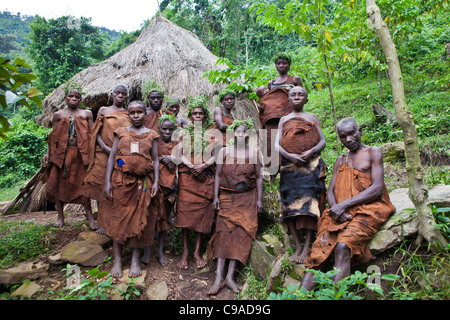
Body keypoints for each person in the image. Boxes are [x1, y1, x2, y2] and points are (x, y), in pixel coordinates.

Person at [300, 117, 396, 290]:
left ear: (359, 132)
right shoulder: (341, 159)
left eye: (351, 134)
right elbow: (331, 191)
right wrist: (335, 208)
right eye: (343, 136)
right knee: (319, 251)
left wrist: (344, 205)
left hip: (369, 209)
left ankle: (337, 294)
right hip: (339, 211)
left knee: (343, 246)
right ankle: (298, 296)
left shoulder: (373, 152)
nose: (348, 139)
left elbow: (377, 188)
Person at [103, 100, 160, 278]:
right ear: (128, 114)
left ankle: (135, 259)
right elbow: (113, 157)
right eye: (133, 112)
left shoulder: (152, 135)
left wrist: (156, 182)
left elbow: (156, 160)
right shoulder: (121, 132)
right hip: (121, 182)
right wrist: (107, 182)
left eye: (139, 112)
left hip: (141, 184)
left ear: (145, 113)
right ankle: (118, 260)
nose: (136, 116)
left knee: (138, 219)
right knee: (118, 218)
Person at [207, 119, 263, 295]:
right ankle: (218, 278)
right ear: (233, 134)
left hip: (247, 200)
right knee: (223, 234)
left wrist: (259, 200)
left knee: (240, 236)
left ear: (248, 135)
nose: (241, 135)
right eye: (237, 132)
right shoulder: (224, 152)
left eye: (244, 132)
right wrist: (215, 197)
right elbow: (217, 175)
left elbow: (259, 177)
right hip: (226, 198)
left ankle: (230, 277)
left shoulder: (255, 153)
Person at [274, 86, 327, 263]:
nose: (296, 97)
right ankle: (297, 244)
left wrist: (309, 152)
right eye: (293, 95)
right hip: (289, 167)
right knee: (288, 203)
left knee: (310, 203)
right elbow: (277, 145)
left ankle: (307, 246)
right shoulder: (283, 120)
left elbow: (322, 141)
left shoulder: (312, 117)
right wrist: (290, 156)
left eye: (300, 95)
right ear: (288, 100)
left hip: (310, 166)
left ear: (306, 99)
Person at [42, 86, 97, 230]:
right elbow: (53, 137)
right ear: (65, 98)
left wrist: (94, 154)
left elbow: (93, 135)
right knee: (59, 183)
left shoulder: (86, 114)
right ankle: (61, 217)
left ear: (80, 99)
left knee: (83, 184)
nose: (73, 99)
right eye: (71, 96)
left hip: (81, 156)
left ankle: (90, 218)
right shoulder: (59, 115)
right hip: (62, 156)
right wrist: (48, 153)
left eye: (77, 97)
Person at [82, 84, 131, 234]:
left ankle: (115, 218)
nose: (120, 96)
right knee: (100, 183)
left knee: (118, 182)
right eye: (118, 93)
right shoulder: (103, 110)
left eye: (123, 94)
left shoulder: (128, 113)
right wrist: (104, 147)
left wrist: (118, 152)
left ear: (126, 97)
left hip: (120, 157)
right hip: (103, 153)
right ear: (112, 94)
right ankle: (101, 221)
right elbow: (96, 131)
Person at [174, 95, 216, 270]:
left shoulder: (210, 135)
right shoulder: (183, 133)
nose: (198, 116)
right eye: (194, 114)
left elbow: (215, 156)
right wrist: (191, 165)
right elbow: (179, 153)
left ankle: (196, 253)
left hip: (204, 179)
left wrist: (203, 165)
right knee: (185, 215)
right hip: (187, 177)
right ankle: (185, 253)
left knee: (201, 217)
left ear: (204, 116)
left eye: (200, 114)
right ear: (190, 117)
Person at [256, 52, 303, 174]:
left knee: (291, 139)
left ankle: (293, 166)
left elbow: (302, 95)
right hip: (274, 118)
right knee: (272, 141)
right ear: (275, 65)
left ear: (289, 65)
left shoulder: (294, 79)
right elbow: (270, 99)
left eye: (284, 63)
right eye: (278, 63)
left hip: (290, 115)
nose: (281, 65)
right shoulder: (271, 83)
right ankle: (274, 170)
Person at [142, 115, 178, 266]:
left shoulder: (177, 144)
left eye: (170, 129)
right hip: (154, 185)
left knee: (164, 219)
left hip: (170, 187)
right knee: (150, 218)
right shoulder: (153, 141)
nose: (167, 132)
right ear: (159, 129)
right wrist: (161, 159)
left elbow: (183, 159)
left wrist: (173, 160)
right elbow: (146, 159)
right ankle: (147, 250)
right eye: (164, 129)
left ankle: (160, 252)